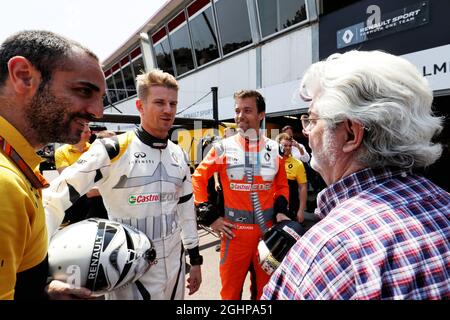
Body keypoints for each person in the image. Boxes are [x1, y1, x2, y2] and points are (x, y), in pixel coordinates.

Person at [262, 50, 450, 300]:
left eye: (312, 119)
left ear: (350, 134)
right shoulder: (444, 202)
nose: (306, 131)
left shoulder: (326, 251)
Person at [44, 69, 202, 300]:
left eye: (173, 103)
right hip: (128, 270)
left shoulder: (178, 153)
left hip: (175, 265)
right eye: (159, 102)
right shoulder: (112, 150)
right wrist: (42, 272)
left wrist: (195, 259)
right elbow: (52, 199)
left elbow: (186, 211)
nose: (168, 110)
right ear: (140, 106)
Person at [0, 30, 105, 300]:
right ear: (23, 76)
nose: (97, 111)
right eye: (84, 91)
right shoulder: (4, 182)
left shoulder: (17, 164)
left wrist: (43, 293)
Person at [192, 90, 290, 300]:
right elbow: (198, 178)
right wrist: (210, 217)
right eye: (237, 111)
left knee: (266, 291)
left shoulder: (275, 149)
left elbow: (282, 186)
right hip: (234, 234)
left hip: (267, 234)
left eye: (247, 110)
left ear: (261, 114)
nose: (240, 116)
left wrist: (282, 211)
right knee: (230, 293)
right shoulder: (222, 147)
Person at [275, 133, 307, 223]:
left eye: (290, 146)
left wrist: (301, 211)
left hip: (291, 206)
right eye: (285, 145)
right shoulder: (270, 162)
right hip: (271, 205)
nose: (288, 148)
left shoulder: (298, 163)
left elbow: (303, 187)